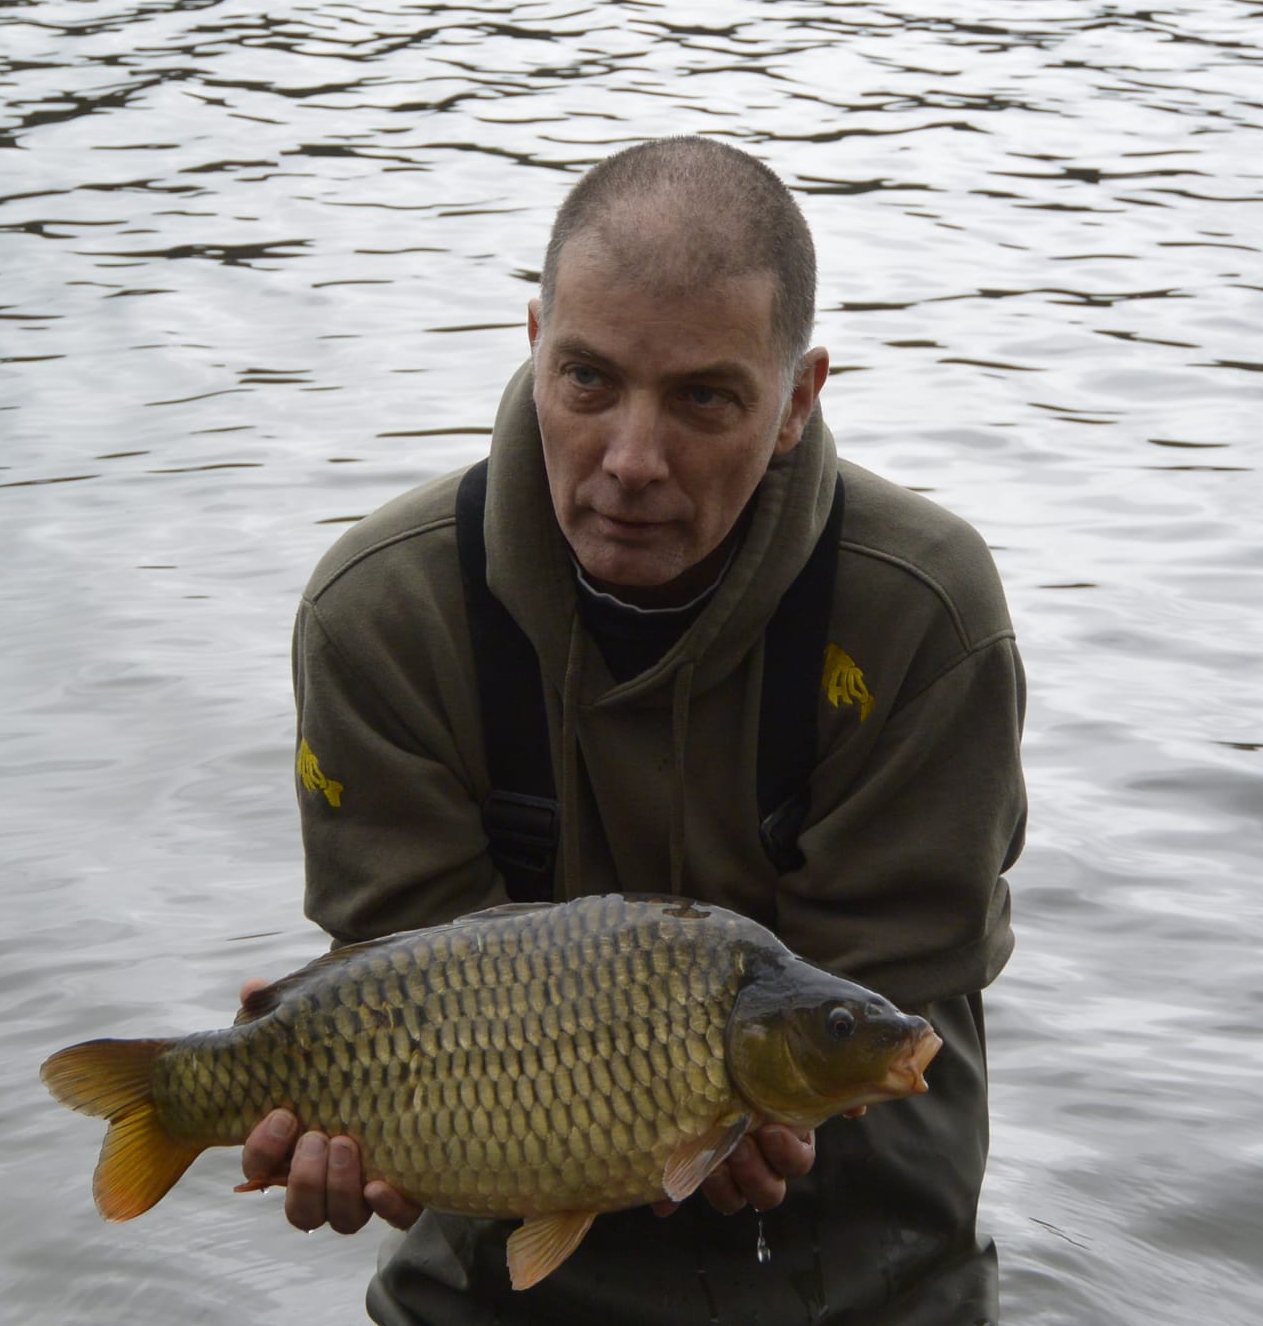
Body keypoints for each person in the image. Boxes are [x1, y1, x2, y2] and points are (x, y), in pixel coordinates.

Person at [244, 136, 1026, 1324]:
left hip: (860, 1258)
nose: (631, 460)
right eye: (588, 381)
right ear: (532, 348)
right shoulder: (378, 616)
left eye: (704, 397)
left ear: (794, 402)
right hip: (495, 1246)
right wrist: (344, 1122)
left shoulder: (920, 613)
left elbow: (882, 1017)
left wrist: (744, 1119)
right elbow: (397, 1006)